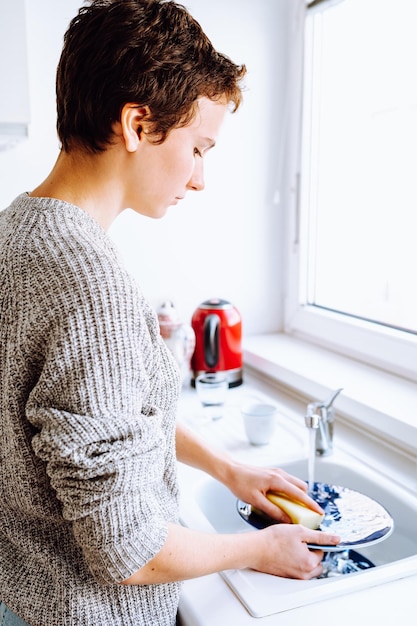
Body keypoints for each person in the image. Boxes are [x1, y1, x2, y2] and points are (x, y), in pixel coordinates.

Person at [0, 1, 340, 625]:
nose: (201, 177)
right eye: (199, 147)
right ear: (136, 124)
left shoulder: (19, 232)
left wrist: (227, 467)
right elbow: (127, 550)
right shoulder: (89, 282)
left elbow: (104, 416)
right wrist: (262, 546)